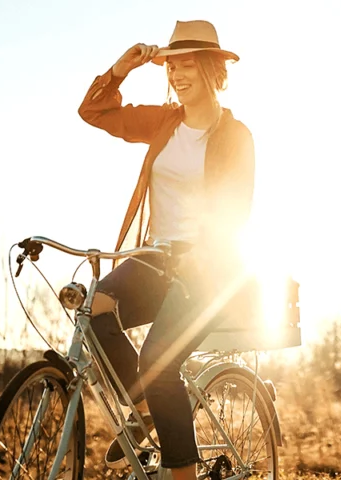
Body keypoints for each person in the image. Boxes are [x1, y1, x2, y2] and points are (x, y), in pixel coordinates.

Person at [77, 19, 256, 477]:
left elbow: (235, 209)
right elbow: (94, 112)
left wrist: (202, 255)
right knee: (93, 310)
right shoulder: (162, 121)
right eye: (171, 65)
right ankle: (145, 412)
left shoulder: (236, 136)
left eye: (187, 64)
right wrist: (121, 69)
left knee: (159, 360)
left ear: (213, 69)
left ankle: (182, 473)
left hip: (210, 268)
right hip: (157, 258)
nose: (176, 74)